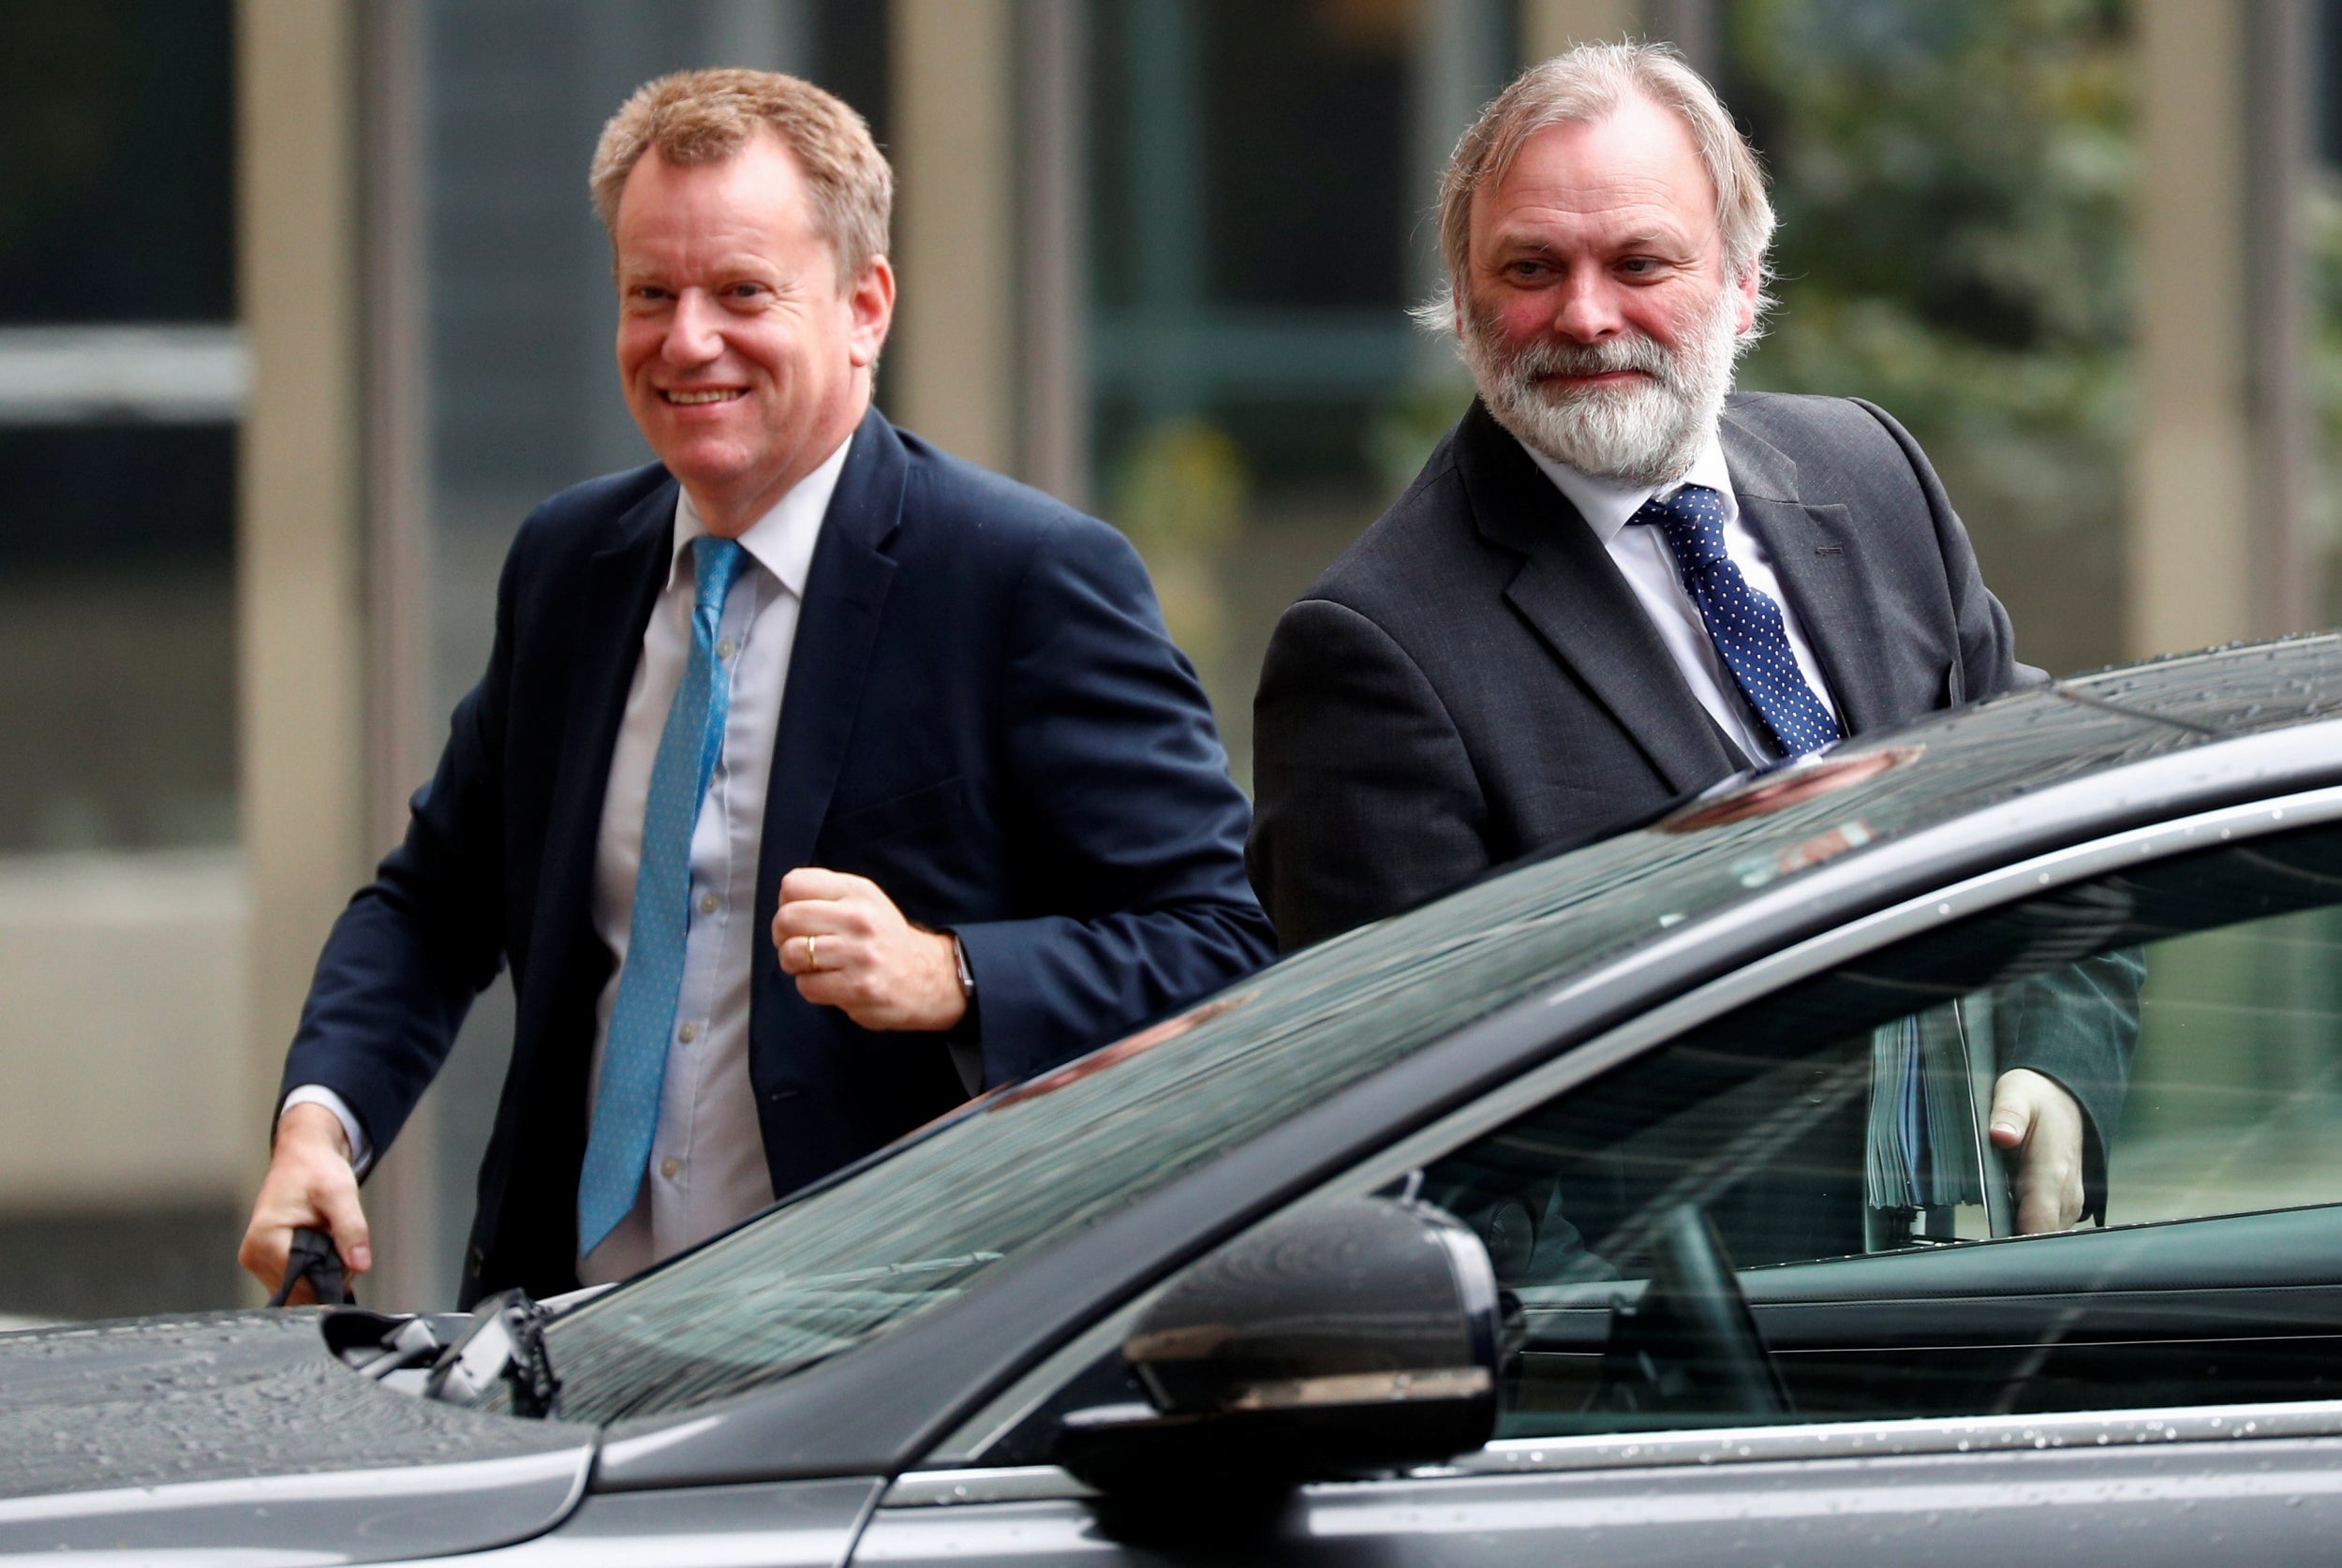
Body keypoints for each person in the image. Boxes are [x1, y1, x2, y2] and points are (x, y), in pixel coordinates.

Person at [241, 69, 1273, 1308]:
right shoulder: (571, 567)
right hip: (568, 1340)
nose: (687, 341)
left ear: (863, 306)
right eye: (650, 295)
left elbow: (1222, 944)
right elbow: (432, 904)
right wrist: (322, 1120)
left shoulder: (1023, 580)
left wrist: (954, 973)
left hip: (890, 1371)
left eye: (742, 292)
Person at [1247, 42, 2125, 1235]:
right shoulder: (1371, 654)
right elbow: (1412, 1143)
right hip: (1691, 1370)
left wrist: (2059, 1067)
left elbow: (2056, 808)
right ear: (1460, 300)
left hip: (1967, 1296)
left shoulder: (1871, 474)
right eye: (1530, 267)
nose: (1586, 313)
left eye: (1640, 261)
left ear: (1743, 283)